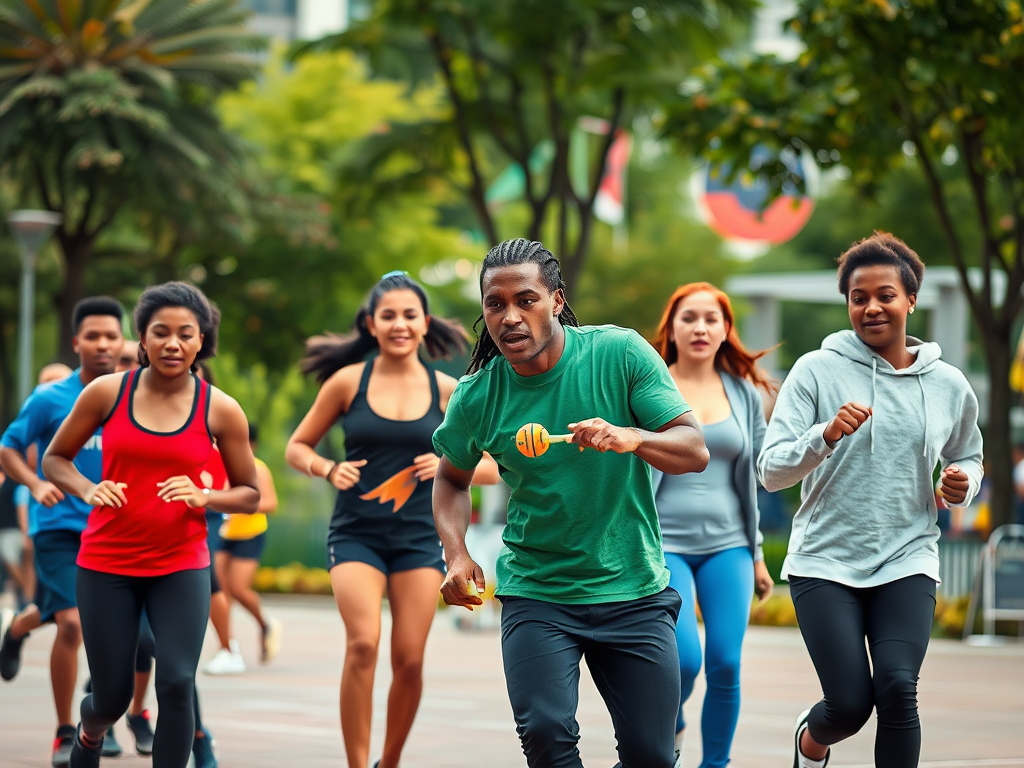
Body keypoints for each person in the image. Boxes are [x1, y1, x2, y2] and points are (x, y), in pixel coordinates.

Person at [432, 239, 709, 768]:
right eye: (495, 304)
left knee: (653, 755)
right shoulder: (476, 396)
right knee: (545, 734)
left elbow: (693, 449)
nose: (510, 317)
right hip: (539, 592)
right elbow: (450, 479)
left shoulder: (619, 353)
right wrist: (457, 553)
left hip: (633, 587)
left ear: (556, 301)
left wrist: (633, 437)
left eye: (526, 300)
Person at [756, 232, 984, 768]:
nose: (872, 306)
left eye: (885, 294)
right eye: (859, 297)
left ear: (910, 299)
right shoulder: (816, 369)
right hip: (825, 560)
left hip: (908, 556)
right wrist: (826, 435)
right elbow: (771, 471)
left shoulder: (949, 384)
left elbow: (970, 457)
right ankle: (811, 743)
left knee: (899, 690)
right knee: (851, 705)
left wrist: (961, 483)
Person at [285, 272, 499, 768]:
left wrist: (447, 465)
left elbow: (493, 464)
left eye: (409, 315)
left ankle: (390, 760)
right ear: (371, 324)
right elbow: (298, 447)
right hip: (356, 533)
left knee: (409, 658)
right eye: (389, 316)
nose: (400, 324)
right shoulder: (346, 382)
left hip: (420, 539)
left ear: (424, 324)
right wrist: (327, 467)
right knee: (363, 644)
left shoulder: (450, 390)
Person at [42, 281, 259, 768]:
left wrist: (206, 495)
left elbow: (250, 494)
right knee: (111, 697)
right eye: (160, 332)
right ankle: (90, 733)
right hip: (106, 564)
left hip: (181, 563)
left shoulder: (220, 408)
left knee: (178, 682)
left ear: (202, 339)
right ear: (140, 338)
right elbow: (55, 458)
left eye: (186, 333)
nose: (173, 343)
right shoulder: (106, 393)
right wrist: (86, 488)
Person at [651, 282, 776, 768]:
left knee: (725, 662)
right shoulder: (649, 382)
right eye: (689, 318)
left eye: (711, 318)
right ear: (672, 329)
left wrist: (759, 554)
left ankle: (716, 764)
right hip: (662, 546)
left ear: (726, 330)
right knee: (683, 661)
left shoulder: (745, 395)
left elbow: (758, 477)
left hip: (731, 548)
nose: (700, 327)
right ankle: (672, 719)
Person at [0, 298, 125, 767]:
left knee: (84, 621)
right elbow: (9, 448)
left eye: (111, 336)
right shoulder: (51, 397)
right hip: (59, 530)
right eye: (92, 336)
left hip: (115, 531)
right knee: (72, 622)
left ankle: (18, 626)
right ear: (77, 343)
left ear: (122, 342)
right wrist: (34, 483)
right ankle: (64, 731)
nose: (102, 344)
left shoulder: (134, 397)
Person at [214, 422, 282, 664]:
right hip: (224, 534)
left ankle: (265, 624)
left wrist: (240, 504)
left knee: (238, 588)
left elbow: (270, 504)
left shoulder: (258, 468)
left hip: (250, 534)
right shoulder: (220, 463)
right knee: (219, 591)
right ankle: (228, 646)